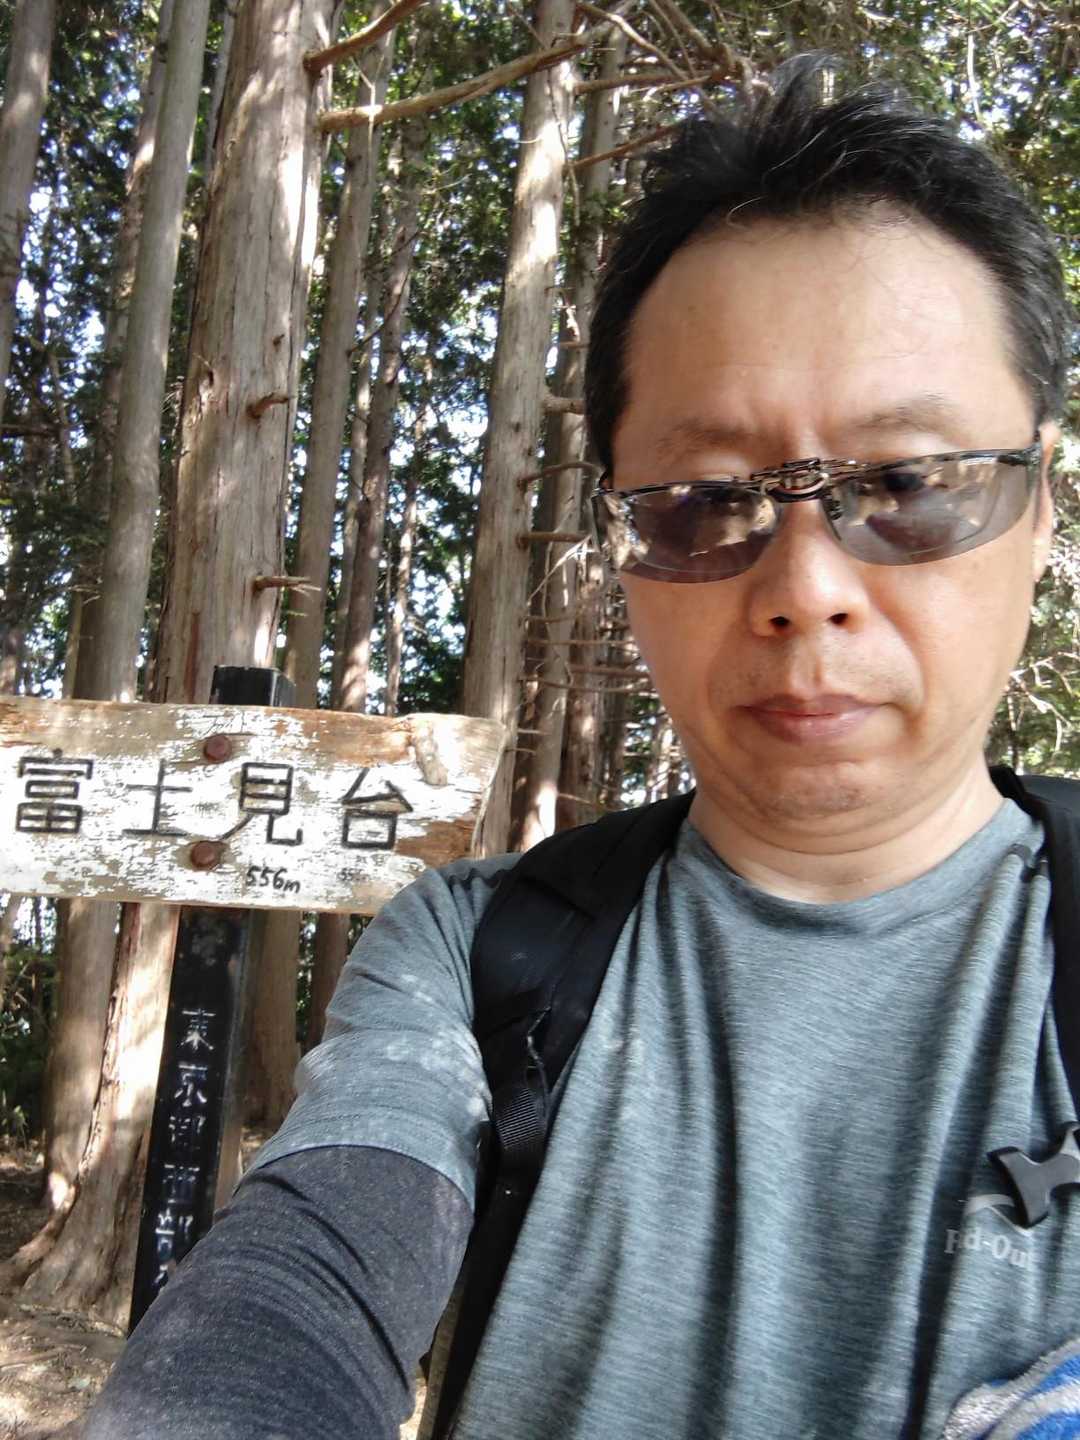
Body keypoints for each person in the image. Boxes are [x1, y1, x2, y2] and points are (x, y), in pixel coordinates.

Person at [73, 53, 1076, 1440]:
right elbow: (308, 1270)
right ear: (624, 544)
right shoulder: (473, 949)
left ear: (1040, 506)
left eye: (906, 482)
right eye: (703, 502)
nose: (805, 586)